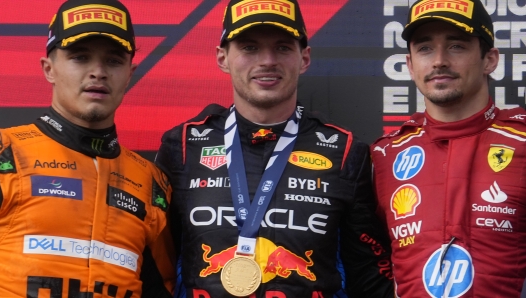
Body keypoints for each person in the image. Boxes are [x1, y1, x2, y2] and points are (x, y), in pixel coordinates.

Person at [156, 0, 393, 297]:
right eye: (249, 48)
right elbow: (155, 269)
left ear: (304, 58)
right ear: (222, 58)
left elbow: (369, 277)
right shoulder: (183, 145)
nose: (267, 60)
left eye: (282, 47)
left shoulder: (345, 151)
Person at [0, 0, 176, 297]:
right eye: (80, 58)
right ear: (49, 69)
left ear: (129, 73)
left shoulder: (151, 181)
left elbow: (164, 288)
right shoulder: (5, 150)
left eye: (114, 61)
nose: (98, 72)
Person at [371, 0, 526, 297]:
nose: (439, 60)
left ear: (489, 60)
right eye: (425, 48)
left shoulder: (521, 141)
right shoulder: (384, 156)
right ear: (410, 64)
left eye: (456, 46)